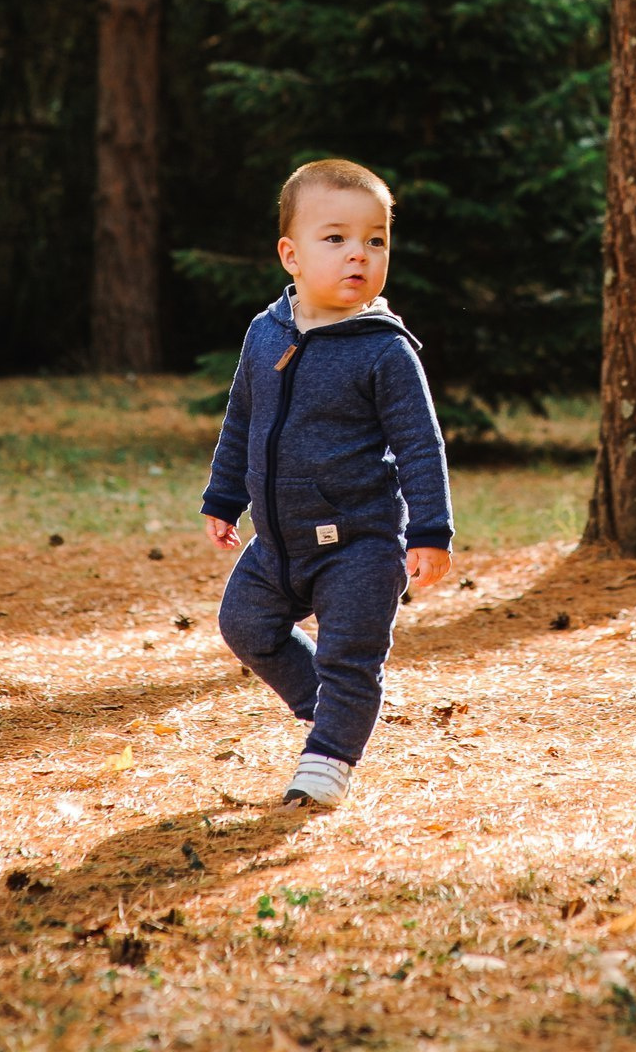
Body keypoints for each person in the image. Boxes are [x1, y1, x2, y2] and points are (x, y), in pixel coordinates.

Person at [201, 157, 453, 810]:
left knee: (350, 656)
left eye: (375, 240)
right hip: (279, 540)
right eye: (336, 238)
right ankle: (334, 708)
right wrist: (224, 496)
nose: (358, 254)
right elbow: (243, 418)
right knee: (245, 624)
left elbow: (419, 445)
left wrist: (430, 531)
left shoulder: (385, 350)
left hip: (360, 544)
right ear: (291, 255)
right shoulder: (265, 335)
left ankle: (328, 760)